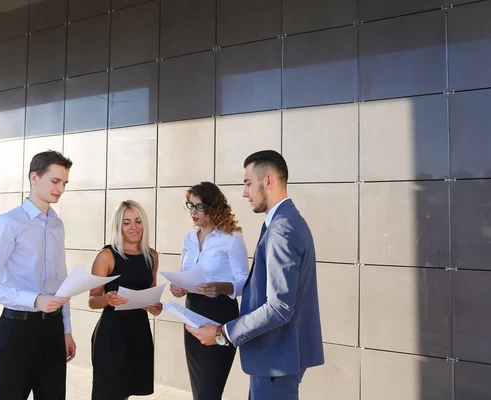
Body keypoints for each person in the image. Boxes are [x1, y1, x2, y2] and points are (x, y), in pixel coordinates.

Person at [186, 150, 324, 400]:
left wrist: (223, 332)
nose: (244, 193)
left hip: (275, 358)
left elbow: (280, 306)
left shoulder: (281, 229)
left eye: (248, 183)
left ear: (268, 180)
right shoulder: (284, 221)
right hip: (275, 357)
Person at [0, 150, 76, 400]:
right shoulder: (9, 223)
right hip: (16, 332)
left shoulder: (57, 225)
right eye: (55, 181)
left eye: (64, 183)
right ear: (34, 177)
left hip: (52, 332)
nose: (60, 189)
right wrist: (34, 299)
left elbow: (61, 282)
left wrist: (66, 329)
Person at [170, 181, 249, 400]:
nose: (193, 212)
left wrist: (221, 287)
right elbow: (184, 274)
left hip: (220, 316)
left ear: (212, 207)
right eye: (190, 205)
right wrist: (178, 287)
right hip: (192, 314)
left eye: (199, 206)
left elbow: (244, 282)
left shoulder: (231, 239)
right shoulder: (189, 239)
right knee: (199, 391)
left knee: (209, 390)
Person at [89, 200, 162, 400]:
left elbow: (151, 294)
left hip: (139, 334)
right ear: (118, 226)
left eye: (138, 221)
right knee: (107, 393)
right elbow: (92, 300)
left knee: (126, 393)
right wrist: (107, 299)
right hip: (111, 335)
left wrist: (156, 307)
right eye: (127, 222)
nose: (134, 227)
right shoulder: (107, 256)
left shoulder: (152, 256)